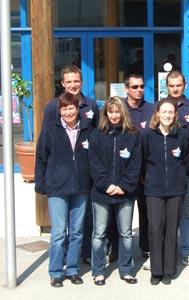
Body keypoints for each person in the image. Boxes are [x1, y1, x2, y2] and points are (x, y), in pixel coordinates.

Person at [41, 65, 104, 265]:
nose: (73, 85)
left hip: (82, 178)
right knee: (60, 230)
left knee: (82, 224)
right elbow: (45, 144)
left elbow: (96, 141)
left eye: (76, 81)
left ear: (82, 82)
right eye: (69, 82)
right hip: (59, 178)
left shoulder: (92, 105)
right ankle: (57, 267)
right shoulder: (52, 107)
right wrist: (43, 180)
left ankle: (78, 259)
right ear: (62, 83)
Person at [35, 92, 93, 287]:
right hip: (58, 188)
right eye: (64, 108)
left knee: (77, 232)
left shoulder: (87, 128)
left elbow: (94, 157)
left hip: (81, 187)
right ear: (60, 110)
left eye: (72, 108)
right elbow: (41, 157)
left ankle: (73, 269)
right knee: (59, 232)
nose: (68, 112)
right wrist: (41, 183)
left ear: (78, 109)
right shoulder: (51, 129)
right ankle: (56, 271)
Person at [89, 96, 142, 286]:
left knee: (126, 233)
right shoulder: (96, 135)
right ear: (106, 113)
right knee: (99, 234)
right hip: (101, 193)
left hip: (125, 193)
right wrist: (106, 185)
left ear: (123, 112)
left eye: (117, 111)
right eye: (110, 112)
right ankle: (98, 271)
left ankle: (126, 270)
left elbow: (136, 164)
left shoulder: (133, 134)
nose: (114, 115)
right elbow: (94, 164)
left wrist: (123, 186)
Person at [142, 98, 189, 285]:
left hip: (176, 190)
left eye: (171, 112)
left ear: (175, 115)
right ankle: (156, 270)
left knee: (171, 229)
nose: (168, 115)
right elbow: (143, 160)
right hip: (154, 189)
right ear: (157, 114)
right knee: (155, 229)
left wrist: (178, 177)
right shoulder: (148, 135)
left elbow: (185, 161)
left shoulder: (181, 135)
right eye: (164, 112)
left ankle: (169, 269)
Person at [166, 70, 189, 269]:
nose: (175, 88)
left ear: (185, 85)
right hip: (164, 171)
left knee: (185, 211)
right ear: (167, 86)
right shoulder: (160, 107)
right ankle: (165, 252)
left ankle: (187, 250)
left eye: (178, 85)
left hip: (187, 170)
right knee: (164, 212)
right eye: (171, 85)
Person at [124, 73, 154, 270]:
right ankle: (118, 250)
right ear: (126, 89)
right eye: (135, 87)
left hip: (145, 172)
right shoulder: (118, 109)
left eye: (142, 86)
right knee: (121, 213)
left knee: (146, 213)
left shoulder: (151, 109)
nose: (139, 90)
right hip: (123, 172)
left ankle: (146, 247)